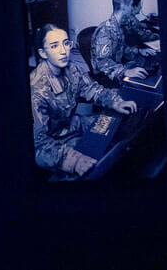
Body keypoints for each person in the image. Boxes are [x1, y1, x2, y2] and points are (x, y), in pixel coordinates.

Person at [30, 24, 137, 177]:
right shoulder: (36, 89)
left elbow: (92, 89)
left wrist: (115, 101)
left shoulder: (72, 68)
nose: (63, 51)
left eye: (66, 43)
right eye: (54, 46)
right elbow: (38, 145)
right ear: (43, 53)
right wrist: (73, 161)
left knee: (116, 125)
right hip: (54, 143)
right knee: (94, 165)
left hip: (73, 124)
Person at [89, 0, 160, 84]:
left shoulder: (119, 26)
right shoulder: (105, 31)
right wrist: (126, 71)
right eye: (130, 5)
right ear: (124, 7)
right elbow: (102, 62)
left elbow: (121, 48)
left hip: (118, 66)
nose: (132, 9)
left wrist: (139, 51)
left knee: (149, 67)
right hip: (106, 76)